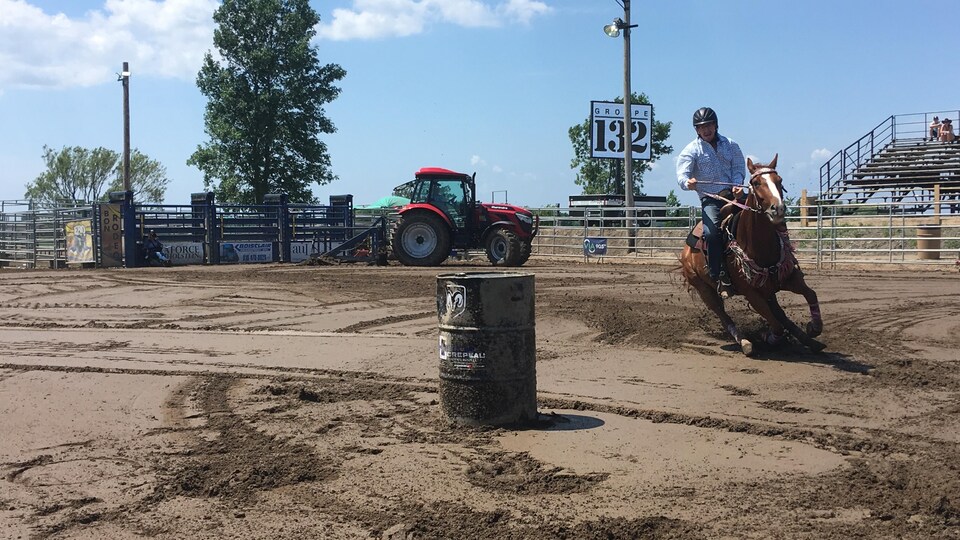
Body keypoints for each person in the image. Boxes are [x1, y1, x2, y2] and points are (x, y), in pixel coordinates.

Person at [677, 107, 746, 298]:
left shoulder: (731, 145)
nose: (706, 130)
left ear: (715, 125)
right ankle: (719, 275)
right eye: (701, 127)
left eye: (709, 125)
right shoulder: (691, 150)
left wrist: (738, 185)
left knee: (763, 214)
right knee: (712, 233)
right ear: (696, 130)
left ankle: (783, 261)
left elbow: (739, 168)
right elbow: (682, 175)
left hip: (734, 195)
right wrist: (687, 182)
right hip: (712, 199)